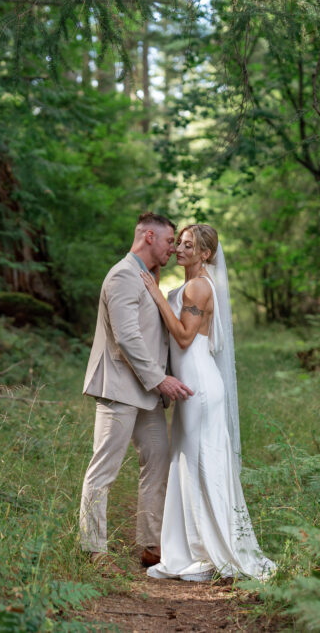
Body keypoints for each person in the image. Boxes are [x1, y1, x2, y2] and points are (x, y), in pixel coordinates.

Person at [139, 224, 276, 582]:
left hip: (199, 386)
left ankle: (208, 554)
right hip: (191, 387)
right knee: (188, 464)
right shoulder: (186, 286)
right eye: (179, 243)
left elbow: (184, 337)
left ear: (205, 255)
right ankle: (191, 548)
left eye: (188, 245)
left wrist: (156, 294)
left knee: (200, 466)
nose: (181, 249)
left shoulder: (198, 287)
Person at [79, 212, 195, 574]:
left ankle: (150, 544)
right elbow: (127, 336)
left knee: (159, 457)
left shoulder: (147, 278)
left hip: (145, 393)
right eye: (169, 241)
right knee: (104, 469)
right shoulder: (122, 276)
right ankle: (93, 550)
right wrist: (160, 379)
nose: (172, 248)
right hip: (119, 387)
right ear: (148, 237)